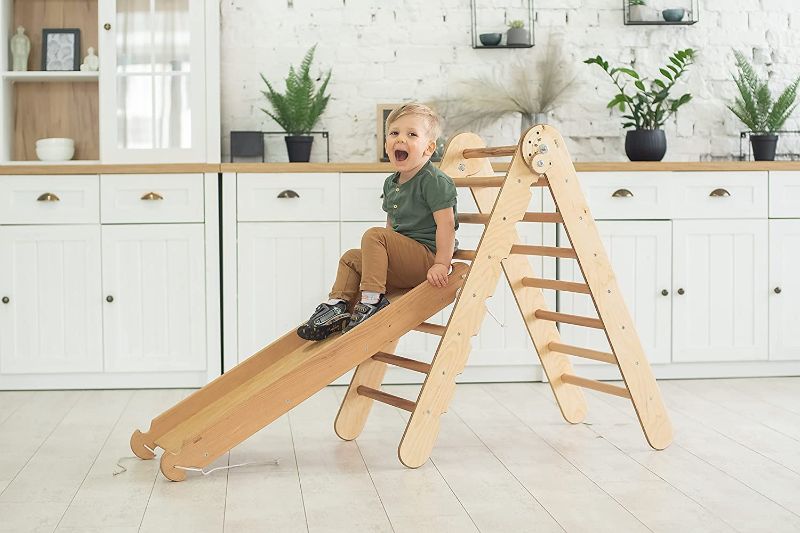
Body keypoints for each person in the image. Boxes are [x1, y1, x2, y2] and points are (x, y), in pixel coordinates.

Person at [297, 102, 458, 341]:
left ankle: (372, 302)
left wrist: (441, 264)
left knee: (374, 235)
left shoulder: (434, 181)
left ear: (429, 148)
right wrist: (383, 260)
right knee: (351, 257)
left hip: (427, 259)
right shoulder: (391, 183)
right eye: (394, 133)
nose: (400, 139)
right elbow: (391, 229)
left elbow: (446, 225)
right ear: (386, 144)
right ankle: (336, 307)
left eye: (411, 134)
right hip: (404, 261)